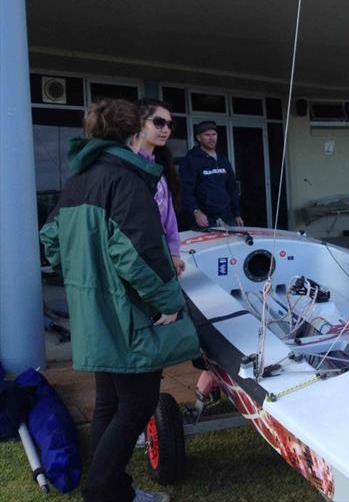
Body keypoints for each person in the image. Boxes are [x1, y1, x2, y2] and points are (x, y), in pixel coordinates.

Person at [40, 98, 200, 502]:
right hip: (126, 313)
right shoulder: (127, 178)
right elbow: (138, 253)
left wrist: (85, 272)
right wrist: (168, 301)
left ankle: (115, 489)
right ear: (133, 133)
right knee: (137, 402)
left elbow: (51, 242)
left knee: (111, 402)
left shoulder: (80, 178)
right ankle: (102, 492)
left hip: (93, 311)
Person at [137, 98, 185, 277]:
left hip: (161, 255)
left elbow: (168, 215)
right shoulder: (127, 167)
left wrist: (174, 253)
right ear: (139, 123)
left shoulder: (160, 167)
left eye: (169, 124)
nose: (165, 129)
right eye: (158, 122)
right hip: (140, 259)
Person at [179, 120, 243, 228]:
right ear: (199, 138)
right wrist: (196, 211)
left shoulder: (223, 159)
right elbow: (185, 189)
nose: (211, 138)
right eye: (207, 135)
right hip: (204, 219)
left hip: (227, 217)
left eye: (214, 134)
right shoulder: (191, 160)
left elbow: (232, 187)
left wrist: (237, 214)